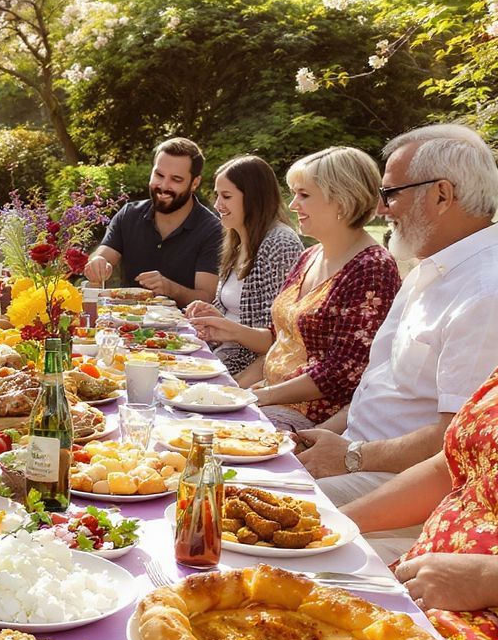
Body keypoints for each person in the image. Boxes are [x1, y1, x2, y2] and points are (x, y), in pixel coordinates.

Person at [294, 125, 498, 552]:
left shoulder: (485, 292)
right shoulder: (432, 267)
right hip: (358, 459)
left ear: (441, 195)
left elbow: (455, 445)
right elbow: (377, 390)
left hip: (399, 488)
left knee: (242, 510)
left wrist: (350, 456)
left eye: (391, 193)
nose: (382, 208)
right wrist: (315, 441)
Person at [191, 146, 401, 427]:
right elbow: (279, 339)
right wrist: (230, 340)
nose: (292, 205)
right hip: (271, 396)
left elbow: (341, 374)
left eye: (304, 195)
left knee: (201, 429)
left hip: (313, 416)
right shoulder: (310, 256)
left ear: (342, 200)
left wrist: (258, 396)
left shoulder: (371, 268)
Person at [342, 365, 498, 640]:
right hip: (420, 583)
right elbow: (449, 467)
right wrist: (340, 523)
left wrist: (486, 579)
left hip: (474, 625)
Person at [184, 155, 304, 377]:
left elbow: (280, 338)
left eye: (226, 196)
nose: (217, 205)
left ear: (254, 198)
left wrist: (229, 331)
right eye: (217, 195)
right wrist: (213, 315)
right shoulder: (237, 240)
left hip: (248, 369)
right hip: (220, 355)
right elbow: (236, 315)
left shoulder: (280, 243)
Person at [83, 137, 222, 306]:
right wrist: (97, 263)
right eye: (159, 175)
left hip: (185, 322)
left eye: (176, 179)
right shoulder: (129, 214)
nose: (163, 186)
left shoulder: (212, 229)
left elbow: (207, 298)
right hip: (126, 319)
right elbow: (102, 256)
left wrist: (170, 289)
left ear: (195, 183)